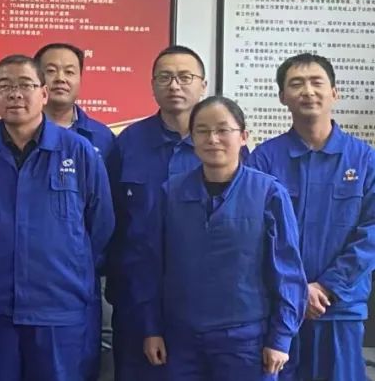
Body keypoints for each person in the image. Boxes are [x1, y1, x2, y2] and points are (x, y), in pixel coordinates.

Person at [0, 54, 114, 380]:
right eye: (5, 86)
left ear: (43, 93)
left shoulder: (78, 151)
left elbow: (101, 226)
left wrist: (69, 270)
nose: (15, 94)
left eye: (25, 85)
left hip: (60, 310)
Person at [140, 97, 306, 380]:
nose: (212, 139)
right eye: (202, 131)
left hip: (246, 340)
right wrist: (151, 329)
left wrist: (280, 338)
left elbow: (287, 272)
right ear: (192, 139)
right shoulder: (171, 192)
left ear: (243, 136)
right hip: (181, 339)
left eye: (222, 130)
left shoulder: (268, 193)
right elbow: (151, 266)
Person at [248, 54, 375, 381]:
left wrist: (327, 286)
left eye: (317, 82)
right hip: (278, 314)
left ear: (334, 92)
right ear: (282, 96)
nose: (308, 91)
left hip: (339, 311)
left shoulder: (364, 160)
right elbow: (251, 235)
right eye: (296, 84)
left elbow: (371, 234)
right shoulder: (264, 159)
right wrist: (295, 290)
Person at [109, 45, 207, 380]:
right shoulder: (128, 142)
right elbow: (108, 217)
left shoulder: (221, 142)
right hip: (135, 297)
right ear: (152, 85)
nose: (174, 85)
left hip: (202, 300)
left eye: (185, 77)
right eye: (165, 77)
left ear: (203, 85)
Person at [35, 42, 118, 380]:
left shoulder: (102, 137)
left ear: (80, 78)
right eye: (51, 70)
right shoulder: (15, 132)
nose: (60, 78)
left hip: (84, 275)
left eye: (69, 71)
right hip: (28, 275)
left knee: (84, 359)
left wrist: (81, 258)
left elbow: (106, 213)